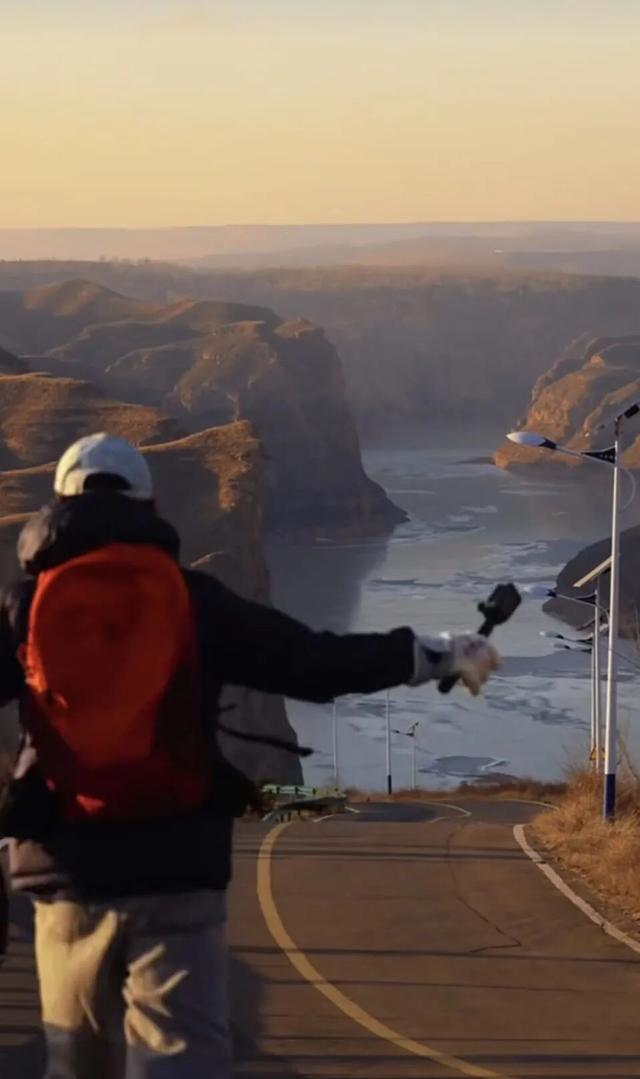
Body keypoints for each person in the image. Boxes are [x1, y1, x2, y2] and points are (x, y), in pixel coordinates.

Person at [0, 432, 500, 1079]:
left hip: (66, 868)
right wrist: (436, 653)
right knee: (183, 1059)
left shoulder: (24, 606)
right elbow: (312, 662)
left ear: (58, 505)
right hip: (179, 866)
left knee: (76, 1061)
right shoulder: (193, 600)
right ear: (150, 505)